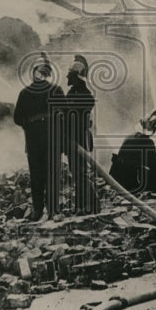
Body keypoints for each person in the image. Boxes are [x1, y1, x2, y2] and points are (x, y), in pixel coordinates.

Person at [13, 53, 66, 220]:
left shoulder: (29, 92)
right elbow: (17, 118)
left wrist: (30, 123)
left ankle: (44, 211)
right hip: (45, 140)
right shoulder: (51, 90)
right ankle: (46, 210)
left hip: (41, 140)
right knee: (45, 175)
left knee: (43, 175)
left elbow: (17, 118)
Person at [60, 54, 100, 215]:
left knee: (80, 173)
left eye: (70, 74)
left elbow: (79, 121)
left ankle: (91, 205)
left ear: (77, 77)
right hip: (72, 140)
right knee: (77, 174)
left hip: (78, 140)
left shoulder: (85, 95)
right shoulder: (72, 93)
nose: (67, 76)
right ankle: (83, 206)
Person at [109, 110, 156, 196]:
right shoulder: (147, 142)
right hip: (129, 184)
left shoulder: (130, 137)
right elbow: (155, 167)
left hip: (116, 180)